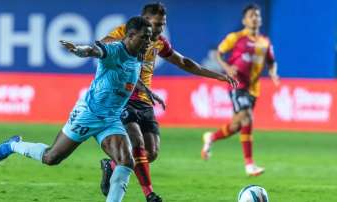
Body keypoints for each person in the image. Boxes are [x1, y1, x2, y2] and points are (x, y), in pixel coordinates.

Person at [0, 16, 153, 202]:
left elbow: (128, 73)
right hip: (88, 114)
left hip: (110, 119)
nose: (149, 42)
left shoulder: (138, 55)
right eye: (145, 37)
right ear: (131, 35)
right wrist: (78, 50)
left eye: (149, 38)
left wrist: (144, 88)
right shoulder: (115, 50)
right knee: (52, 158)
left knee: (126, 161)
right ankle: (13, 145)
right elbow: (94, 50)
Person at [98, 2, 238, 202]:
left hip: (145, 101)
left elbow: (184, 62)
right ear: (145, 22)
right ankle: (150, 194)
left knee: (151, 153)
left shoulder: (160, 42)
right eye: (156, 24)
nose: (160, 29)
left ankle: (111, 165)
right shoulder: (125, 32)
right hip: (123, 98)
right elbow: (102, 47)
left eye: (163, 24)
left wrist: (217, 75)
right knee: (136, 141)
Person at [201, 3, 280, 176]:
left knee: (238, 124)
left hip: (253, 89)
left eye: (257, 16)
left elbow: (272, 62)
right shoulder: (235, 37)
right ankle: (249, 164)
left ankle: (211, 138)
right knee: (247, 117)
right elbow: (218, 53)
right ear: (244, 20)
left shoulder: (265, 42)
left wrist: (274, 73)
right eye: (251, 15)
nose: (255, 18)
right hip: (237, 84)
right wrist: (227, 68)